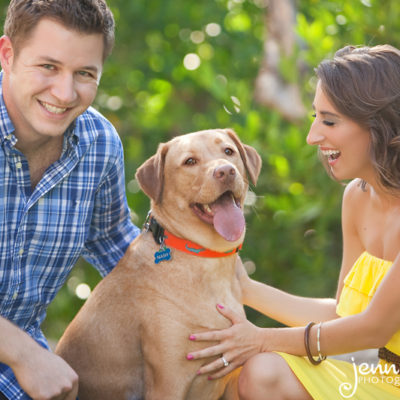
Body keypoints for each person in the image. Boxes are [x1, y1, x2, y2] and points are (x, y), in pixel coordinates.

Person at [186, 44, 400, 399]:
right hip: (384, 382)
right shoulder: (358, 198)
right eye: (315, 117)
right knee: (262, 372)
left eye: (329, 121)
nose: (313, 136)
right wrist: (243, 287)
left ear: (378, 123)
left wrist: (261, 338)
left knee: (260, 359)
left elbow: (373, 329)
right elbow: (342, 315)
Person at [0, 1, 140, 399]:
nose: (64, 93)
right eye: (48, 67)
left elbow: (119, 249)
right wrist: (25, 353)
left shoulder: (99, 145)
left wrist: (202, 272)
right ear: (7, 55)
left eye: (84, 74)